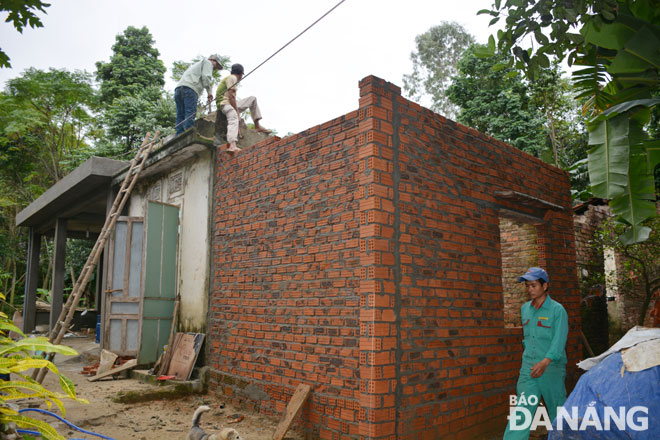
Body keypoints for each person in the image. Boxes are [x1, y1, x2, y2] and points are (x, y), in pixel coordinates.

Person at [503, 267, 568, 440]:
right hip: (529, 369)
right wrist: (531, 362)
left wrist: (545, 361)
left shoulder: (557, 310)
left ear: (545, 286)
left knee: (557, 412)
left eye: (533, 285)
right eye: (527, 286)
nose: (530, 289)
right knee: (521, 412)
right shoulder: (525, 309)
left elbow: (559, 340)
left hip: (551, 368)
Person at [216, 63, 270, 153]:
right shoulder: (232, 78)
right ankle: (232, 145)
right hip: (224, 104)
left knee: (252, 99)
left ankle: (257, 126)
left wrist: (236, 108)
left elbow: (232, 98)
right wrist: (237, 112)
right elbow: (231, 96)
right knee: (233, 117)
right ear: (241, 74)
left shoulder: (232, 79)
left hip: (229, 103)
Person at [174, 54, 223, 135]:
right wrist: (209, 91)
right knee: (190, 113)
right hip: (190, 89)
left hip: (178, 89)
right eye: (216, 65)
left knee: (180, 115)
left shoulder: (196, 65)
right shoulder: (207, 62)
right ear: (212, 60)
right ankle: (188, 135)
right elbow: (206, 77)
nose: (215, 68)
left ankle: (179, 135)